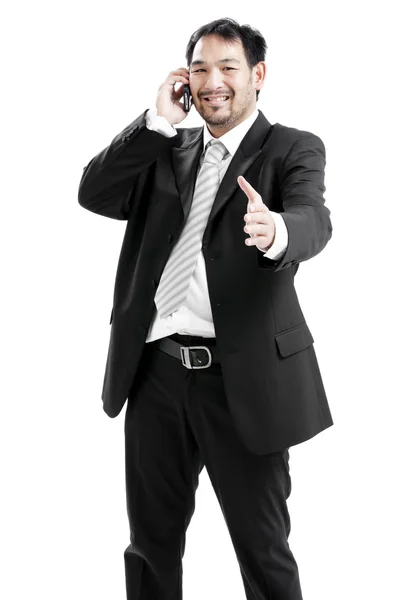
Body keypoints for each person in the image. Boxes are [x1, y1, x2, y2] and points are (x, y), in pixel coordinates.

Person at [78, 17, 333, 600]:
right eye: (200, 68)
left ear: (258, 75)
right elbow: (94, 192)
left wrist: (277, 232)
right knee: (150, 546)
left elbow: (314, 220)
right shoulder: (167, 147)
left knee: (262, 549)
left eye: (228, 68)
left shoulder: (292, 147)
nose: (212, 81)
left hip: (241, 378)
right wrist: (156, 124)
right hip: (156, 374)